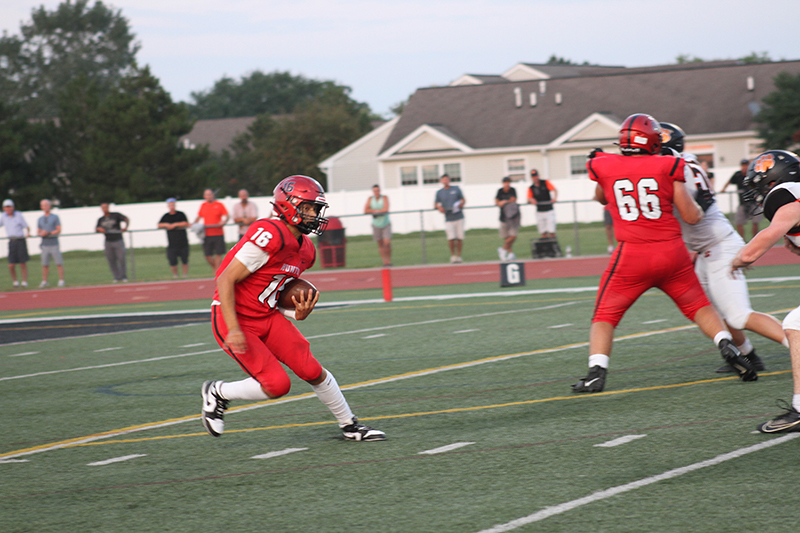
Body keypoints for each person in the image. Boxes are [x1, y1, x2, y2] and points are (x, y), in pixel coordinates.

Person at [572, 113, 756, 394]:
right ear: (654, 142)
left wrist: (608, 167)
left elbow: (601, 197)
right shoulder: (669, 164)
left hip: (631, 256)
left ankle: (597, 372)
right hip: (671, 252)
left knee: (604, 316)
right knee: (699, 306)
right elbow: (691, 216)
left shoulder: (604, 164)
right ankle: (726, 344)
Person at [200, 175, 386, 442]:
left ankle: (350, 425)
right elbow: (225, 279)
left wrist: (293, 313)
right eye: (308, 207)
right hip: (236, 316)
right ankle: (218, 392)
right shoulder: (270, 234)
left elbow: (273, 292)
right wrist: (232, 328)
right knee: (277, 385)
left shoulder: (306, 250)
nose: (315, 214)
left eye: (316, 208)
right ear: (289, 205)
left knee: (312, 370)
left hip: (266, 315)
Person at [660, 122, 787, 375]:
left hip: (719, 246)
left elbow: (694, 213)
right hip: (707, 249)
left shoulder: (678, 168)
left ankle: (793, 342)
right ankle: (749, 355)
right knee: (712, 312)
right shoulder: (685, 163)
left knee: (738, 315)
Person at [731, 150, 800, 433]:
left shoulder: (784, 193)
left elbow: (768, 235)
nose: (758, 192)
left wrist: (740, 257)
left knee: (796, 323)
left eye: (759, 183)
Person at [722, 158, 763, 239]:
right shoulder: (738, 175)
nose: (744, 167)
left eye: (746, 165)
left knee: (755, 222)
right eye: (743, 166)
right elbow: (729, 181)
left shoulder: (752, 174)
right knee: (738, 222)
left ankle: (755, 239)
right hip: (742, 202)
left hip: (753, 202)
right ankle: (742, 239)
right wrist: (723, 189)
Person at [194, 189, 229, 271]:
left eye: (210, 194)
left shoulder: (219, 205)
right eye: (207, 195)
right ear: (204, 196)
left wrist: (223, 221)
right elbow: (198, 217)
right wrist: (194, 225)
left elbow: (227, 216)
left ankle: (217, 271)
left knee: (219, 253)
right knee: (207, 255)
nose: (209, 196)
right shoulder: (203, 205)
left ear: (213, 195)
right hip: (207, 234)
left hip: (218, 233)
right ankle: (216, 269)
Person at [434, 174, 466, 263]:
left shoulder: (456, 189)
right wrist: (439, 208)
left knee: (459, 237)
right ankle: (453, 255)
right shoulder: (439, 192)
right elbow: (435, 204)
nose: (445, 181)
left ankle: (459, 255)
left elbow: (463, 199)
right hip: (448, 218)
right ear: (441, 181)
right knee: (451, 238)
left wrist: (461, 204)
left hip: (459, 217)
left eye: (446, 179)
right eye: (443, 180)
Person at [95, 202, 129, 283]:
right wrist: (99, 229)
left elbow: (126, 219)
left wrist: (125, 227)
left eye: (106, 207)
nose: (105, 209)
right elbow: (97, 228)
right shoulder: (101, 219)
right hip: (108, 241)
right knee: (111, 260)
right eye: (103, 208)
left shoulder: (115, 215)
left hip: (118, 239)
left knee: (121, 258)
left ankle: (123, 276)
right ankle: (116, 277)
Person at [158, 198, 190, 278]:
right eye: (170, 205)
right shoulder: (166, 216)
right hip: (172, 243)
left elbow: (186, 223)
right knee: (172, 261)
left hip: (183, 242)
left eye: (173, 204)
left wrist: (175, 224)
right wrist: (167, 225)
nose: (172, 206)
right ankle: (175, 275)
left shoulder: (180, 214)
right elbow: (159, 225)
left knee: (184, 260)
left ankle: (185, 274)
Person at [0, 199, 30, 288]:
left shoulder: (18, 215)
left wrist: (27, 233)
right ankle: (15, 282)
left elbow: (26, 226)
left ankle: (24, 281)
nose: (8, 209)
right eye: (6, 207)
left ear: (13, 207)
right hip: (12, 241)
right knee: (11, 264)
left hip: (20, 240)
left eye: (9, 207)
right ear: (4, 208)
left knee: (22, 263)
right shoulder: (3, 216)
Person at [37, 199, 65, 287]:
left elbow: (58, 229)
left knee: (58, 262)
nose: (45, 207)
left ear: (50, 206)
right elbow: (38, 231)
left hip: (54, 243)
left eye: (46, 205)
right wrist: (42, 233)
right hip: (44, 244)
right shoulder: (40, 219)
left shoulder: (55, 217)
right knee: (44, 264)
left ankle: (61, 280)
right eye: (43, 205)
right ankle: (45, 281)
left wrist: (49, 233)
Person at [364, 184, 392, 266]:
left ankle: (389, 260)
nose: (377, 192)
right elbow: (366, 210)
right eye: (375, 191)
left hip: (385, 223)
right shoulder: (370, 199)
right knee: (380, 243)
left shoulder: (384, 198)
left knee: (387, 242)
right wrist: (376, 211)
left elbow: (386, 209)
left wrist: (376, 211)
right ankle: (385, 261)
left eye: (378, 190)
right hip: (376, 224)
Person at [527, 169, 558, 239]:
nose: (535, 178)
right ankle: (545, 247)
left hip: (549, 210)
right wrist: (532, 200)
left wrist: (554, 198)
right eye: (533, 177)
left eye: (536, 176)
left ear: (538, 176)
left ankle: (553, 247)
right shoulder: (531, 188)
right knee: (543, 232)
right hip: (540, 212)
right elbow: (529, 198)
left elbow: (555, 190)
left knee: (551, 231)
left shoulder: (545, 182)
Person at [495, 177, 520, 261]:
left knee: (513, 235)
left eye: (508, 182)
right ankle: (510, 253)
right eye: (505, 182)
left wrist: (504, 201)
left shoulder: (512, 190)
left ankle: (503, 249)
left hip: (513, 217)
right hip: (503, 217)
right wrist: (500, 202)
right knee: (506, 236)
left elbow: (513, 199)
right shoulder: (499, 191)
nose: (507, 184)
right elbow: (497, 202)